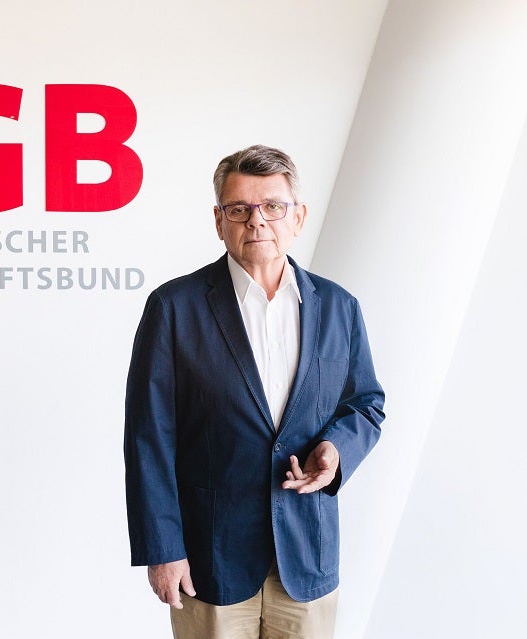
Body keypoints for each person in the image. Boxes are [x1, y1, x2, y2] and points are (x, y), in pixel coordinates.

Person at [124, 145, 385, 639]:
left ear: (298, 217)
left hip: (306, 554)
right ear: (219, 221)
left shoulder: (339, 307)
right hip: (209, 558)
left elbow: (365, 403)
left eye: (272, 206)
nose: (257, 220)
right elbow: (148, 439)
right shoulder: (174, 308)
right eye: (239, 208)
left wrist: (336, 450)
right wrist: (163, 549)